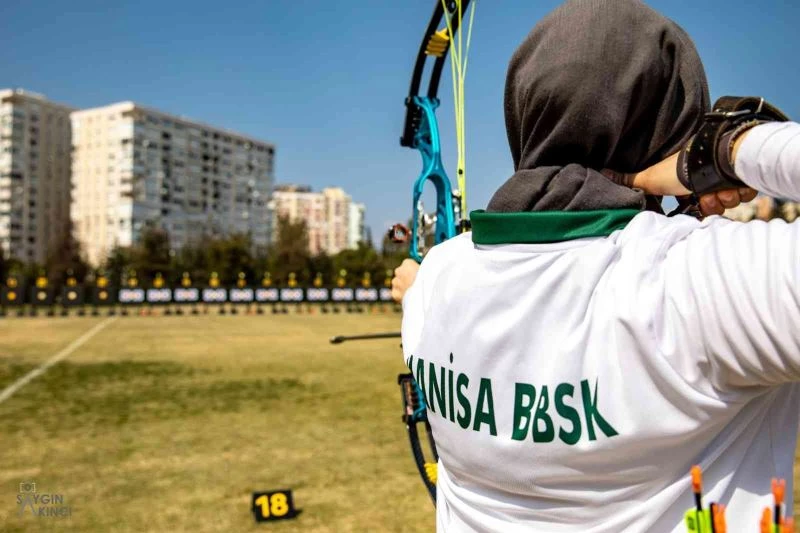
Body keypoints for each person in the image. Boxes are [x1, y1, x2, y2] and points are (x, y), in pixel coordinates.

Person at [392, 0, 800, 531]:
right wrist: (732, 147)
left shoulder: (435, 281)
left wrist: (419, 287)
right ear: (673, 129)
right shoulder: (704, 282)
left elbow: (423, 290)